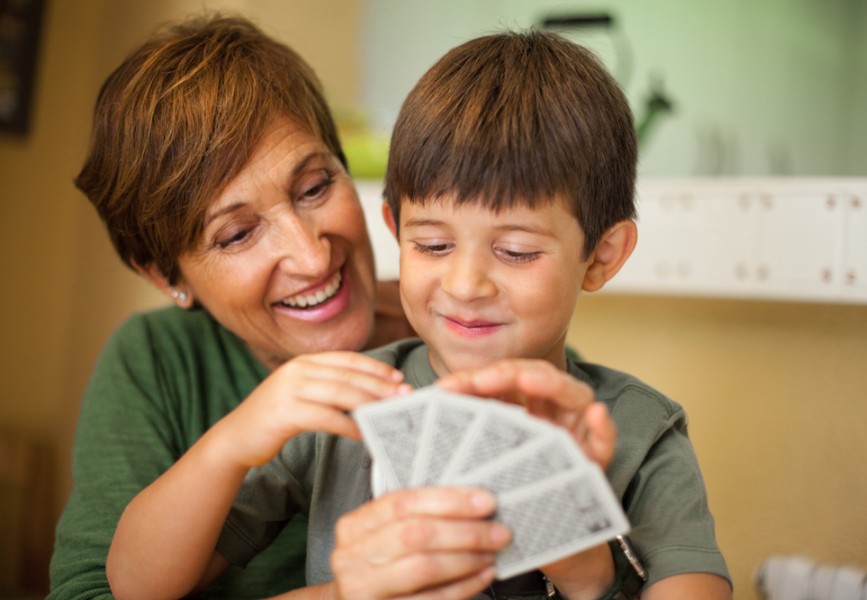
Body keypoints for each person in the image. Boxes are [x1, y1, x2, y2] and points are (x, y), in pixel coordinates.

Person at [105, 30, 732, 600]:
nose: (464, 283)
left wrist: (588, 576)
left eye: (515, 251)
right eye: (431, 245)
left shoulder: (642, 432)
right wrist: (231, 443)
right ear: (394, 230)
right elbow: (136, 586)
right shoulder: (348, 405)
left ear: (601, 256)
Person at [48, 14, 422, 599]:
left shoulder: (467, 332)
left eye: (316, 187)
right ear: (166, 274)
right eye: (237, 234)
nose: (311, 256)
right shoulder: (156, 362)